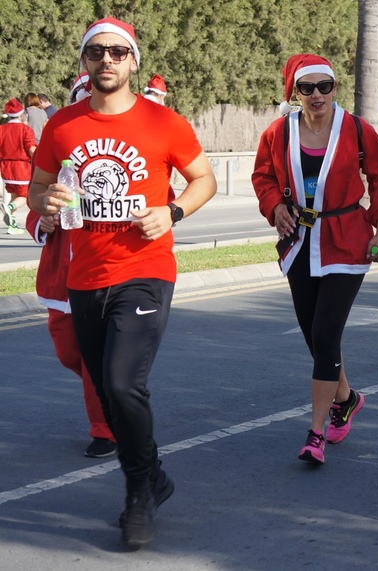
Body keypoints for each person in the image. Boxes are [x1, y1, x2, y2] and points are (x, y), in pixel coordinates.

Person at [27, 16, 217, 548]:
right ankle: (154, 474)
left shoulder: (164, 122)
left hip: (145, 271)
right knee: (107, 395)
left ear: (133, 60)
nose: (106, 60)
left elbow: (205, 178)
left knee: (120, 382)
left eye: (116, 52)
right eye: (96, 53)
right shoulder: (61, 126)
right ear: (84, 63)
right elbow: (37, 192)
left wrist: (173, 211)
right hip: (83, 277)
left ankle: (138, 493)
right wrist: (47, 203)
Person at [252, 53, 378, 466]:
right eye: (307, 88)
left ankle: (315, 433)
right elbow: (262, 175)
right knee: (314, 336)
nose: (317, 95)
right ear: (294, 92)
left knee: (326, 333)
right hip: (299, 241)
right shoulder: (278, 132)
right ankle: (348, 397)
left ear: (335, 88)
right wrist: (274, 207)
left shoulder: (356, 129)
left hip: (346, 240)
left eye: (326, 86)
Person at [25, 208, 116, 458]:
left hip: (103, 276)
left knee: (92, 361)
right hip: (60, 281)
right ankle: (117, 391)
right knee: (67, 354)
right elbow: (37, 203)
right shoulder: (54, 171)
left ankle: (104, 430)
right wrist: (42, 221)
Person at [0, 98, 36, 235]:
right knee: (25, 196)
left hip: (5, 167)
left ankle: (12, 224)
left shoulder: (2, 129)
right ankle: (9, 207)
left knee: (15, 194)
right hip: (21, 166)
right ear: (21, 115)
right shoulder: (25, 129)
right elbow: (31, 149)